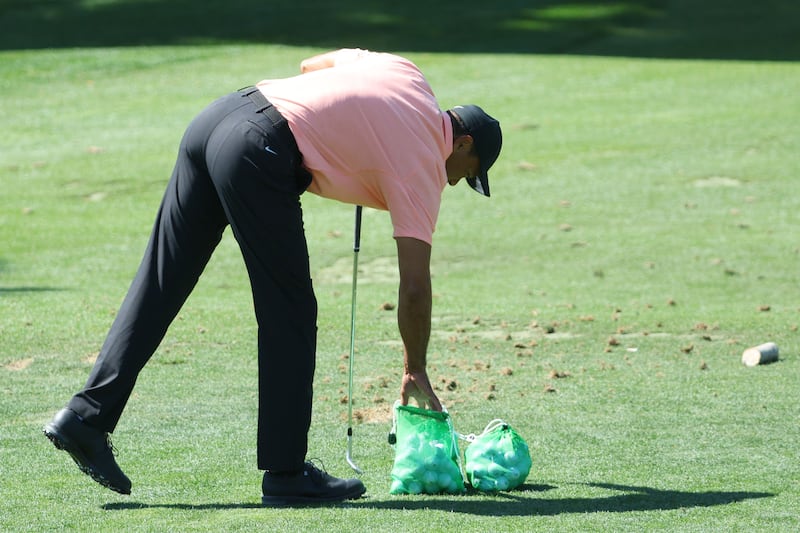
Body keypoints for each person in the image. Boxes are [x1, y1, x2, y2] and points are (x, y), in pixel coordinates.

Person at [43, 48, 502, 506]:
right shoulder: (425, 160)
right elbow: (416, 289)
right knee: (292, 311)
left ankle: (86, 418)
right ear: (462, 145)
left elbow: (314, 69)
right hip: (259, 151)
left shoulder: (408, 73)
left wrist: (363, 139)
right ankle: (286, 473)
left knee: (160, 283)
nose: (458, 182)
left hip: (219, 116)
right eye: (469, 173)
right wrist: (414, 367)